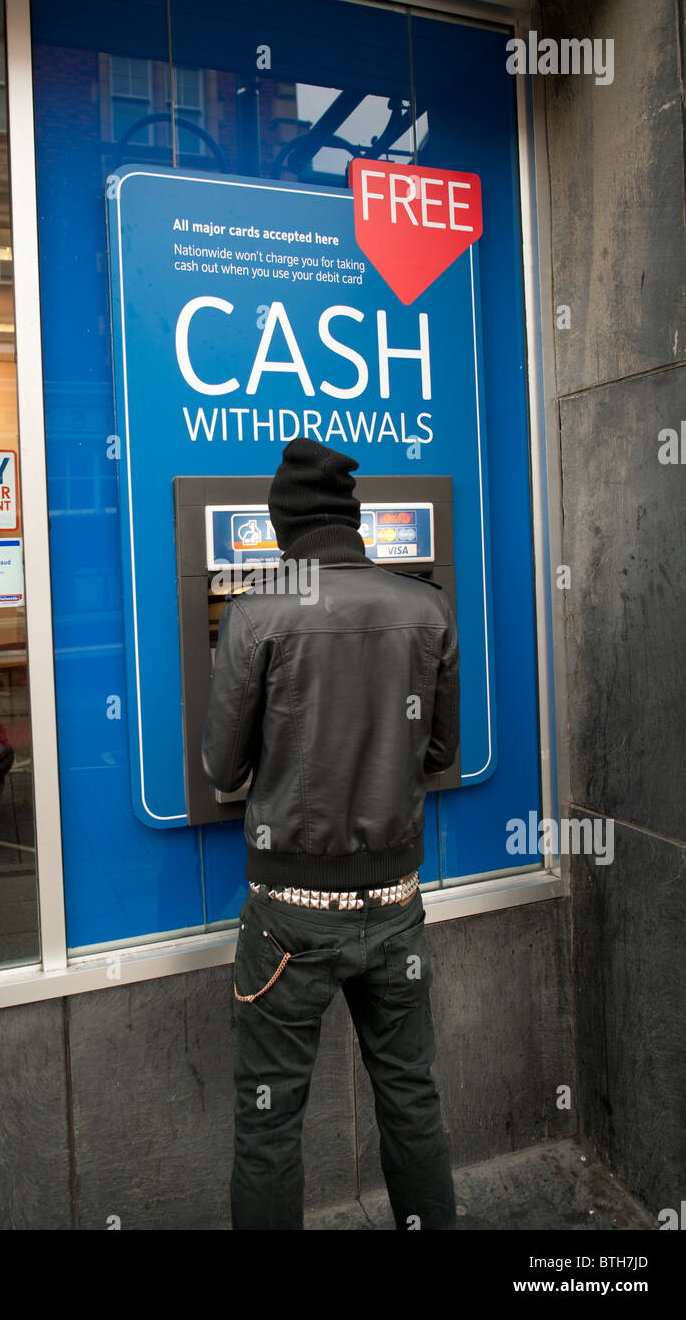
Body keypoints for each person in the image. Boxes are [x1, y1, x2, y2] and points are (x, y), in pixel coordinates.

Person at [202, 437, 460, 1231]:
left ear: (283, 529)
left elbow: (221, 766)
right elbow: (441, 750)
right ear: (352, 523)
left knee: (270, 1124)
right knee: (410, 1098)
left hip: (288, 921)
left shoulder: (252, 613)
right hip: (396, 910)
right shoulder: (425, 608)